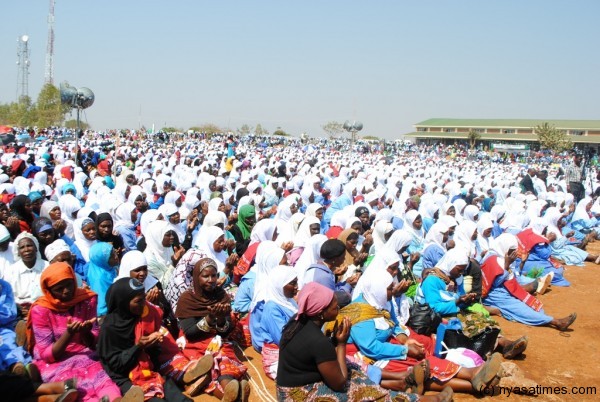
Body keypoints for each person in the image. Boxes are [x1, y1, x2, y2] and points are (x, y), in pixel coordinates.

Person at [276, 282, 452, 402]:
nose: (338, 307)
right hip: (298, 395)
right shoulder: (316, 340)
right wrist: (341, 343)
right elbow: (340, 384)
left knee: (356, 371)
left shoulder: (297, 323)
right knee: (361, 392)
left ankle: (399, 384)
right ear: (320, 313)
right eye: (334, 306)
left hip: (293, 385)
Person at [97, 277, 214, 401]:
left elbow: (153, 357)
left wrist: (152, 345)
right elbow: (116, 366)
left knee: (181, 399)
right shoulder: (110, 328)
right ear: (123, 302)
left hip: (149, 369)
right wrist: (138, 347)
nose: (144, 304)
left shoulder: (142, 318)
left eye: (144, 298)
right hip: (126, 377)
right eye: (138, 301)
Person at [27, 262, 127, 401]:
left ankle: (116, 399)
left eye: (69, 284)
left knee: (102, 378)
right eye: (59, 289)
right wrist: (69, 334)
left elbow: (94, 343)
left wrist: (86, 332)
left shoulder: (87, 299)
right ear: (48, 290)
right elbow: (46, 355)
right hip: (57, 361)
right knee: (78, 388)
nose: (66, 291)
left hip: (85, 352)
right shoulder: (41, 310)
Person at [175, 258, 249, 402]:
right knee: (207, 364)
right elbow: (190, 333)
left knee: (223, 357)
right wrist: (210, 318)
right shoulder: (187, 299)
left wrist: (221, 319)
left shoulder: (221, 295)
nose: (211, 280)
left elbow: (225, 332)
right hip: (194, 342)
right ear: (197, 277)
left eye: (214, 275)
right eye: (205, 276)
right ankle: (233, 397)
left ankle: (230, 392)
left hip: (217, 339)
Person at [481, 234, 577, 331]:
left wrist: (517, 263)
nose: (513, 252)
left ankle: (541, 315)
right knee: (519, 307)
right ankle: (555, 322)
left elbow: (513, 275)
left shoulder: (502, 257)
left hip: (505, 288)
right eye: (511, 249)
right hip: (494, 294)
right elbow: (493, 283)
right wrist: (507, 265)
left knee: (526, 301)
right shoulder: (492, 259)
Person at [86, 242, 119, 318]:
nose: (116, 256)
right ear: (102, 260)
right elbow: (102, 308)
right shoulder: (100, 280)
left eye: (114, 252)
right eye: (111, 256)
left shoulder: (109, 267)